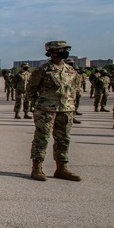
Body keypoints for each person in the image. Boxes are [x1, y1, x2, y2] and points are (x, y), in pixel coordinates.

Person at [27, 41, 81, 181]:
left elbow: (74, 90)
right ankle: (37, 168)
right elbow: (31, 90)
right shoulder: (42, 70)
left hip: (66, 109)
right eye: (61, 49)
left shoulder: (70, 70)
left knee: (63, 139)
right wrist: (39, 106)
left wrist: (71, 105)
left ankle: (62, 168)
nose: (65, 52)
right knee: (42, 138)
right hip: (46, 110)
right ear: (52, 52)